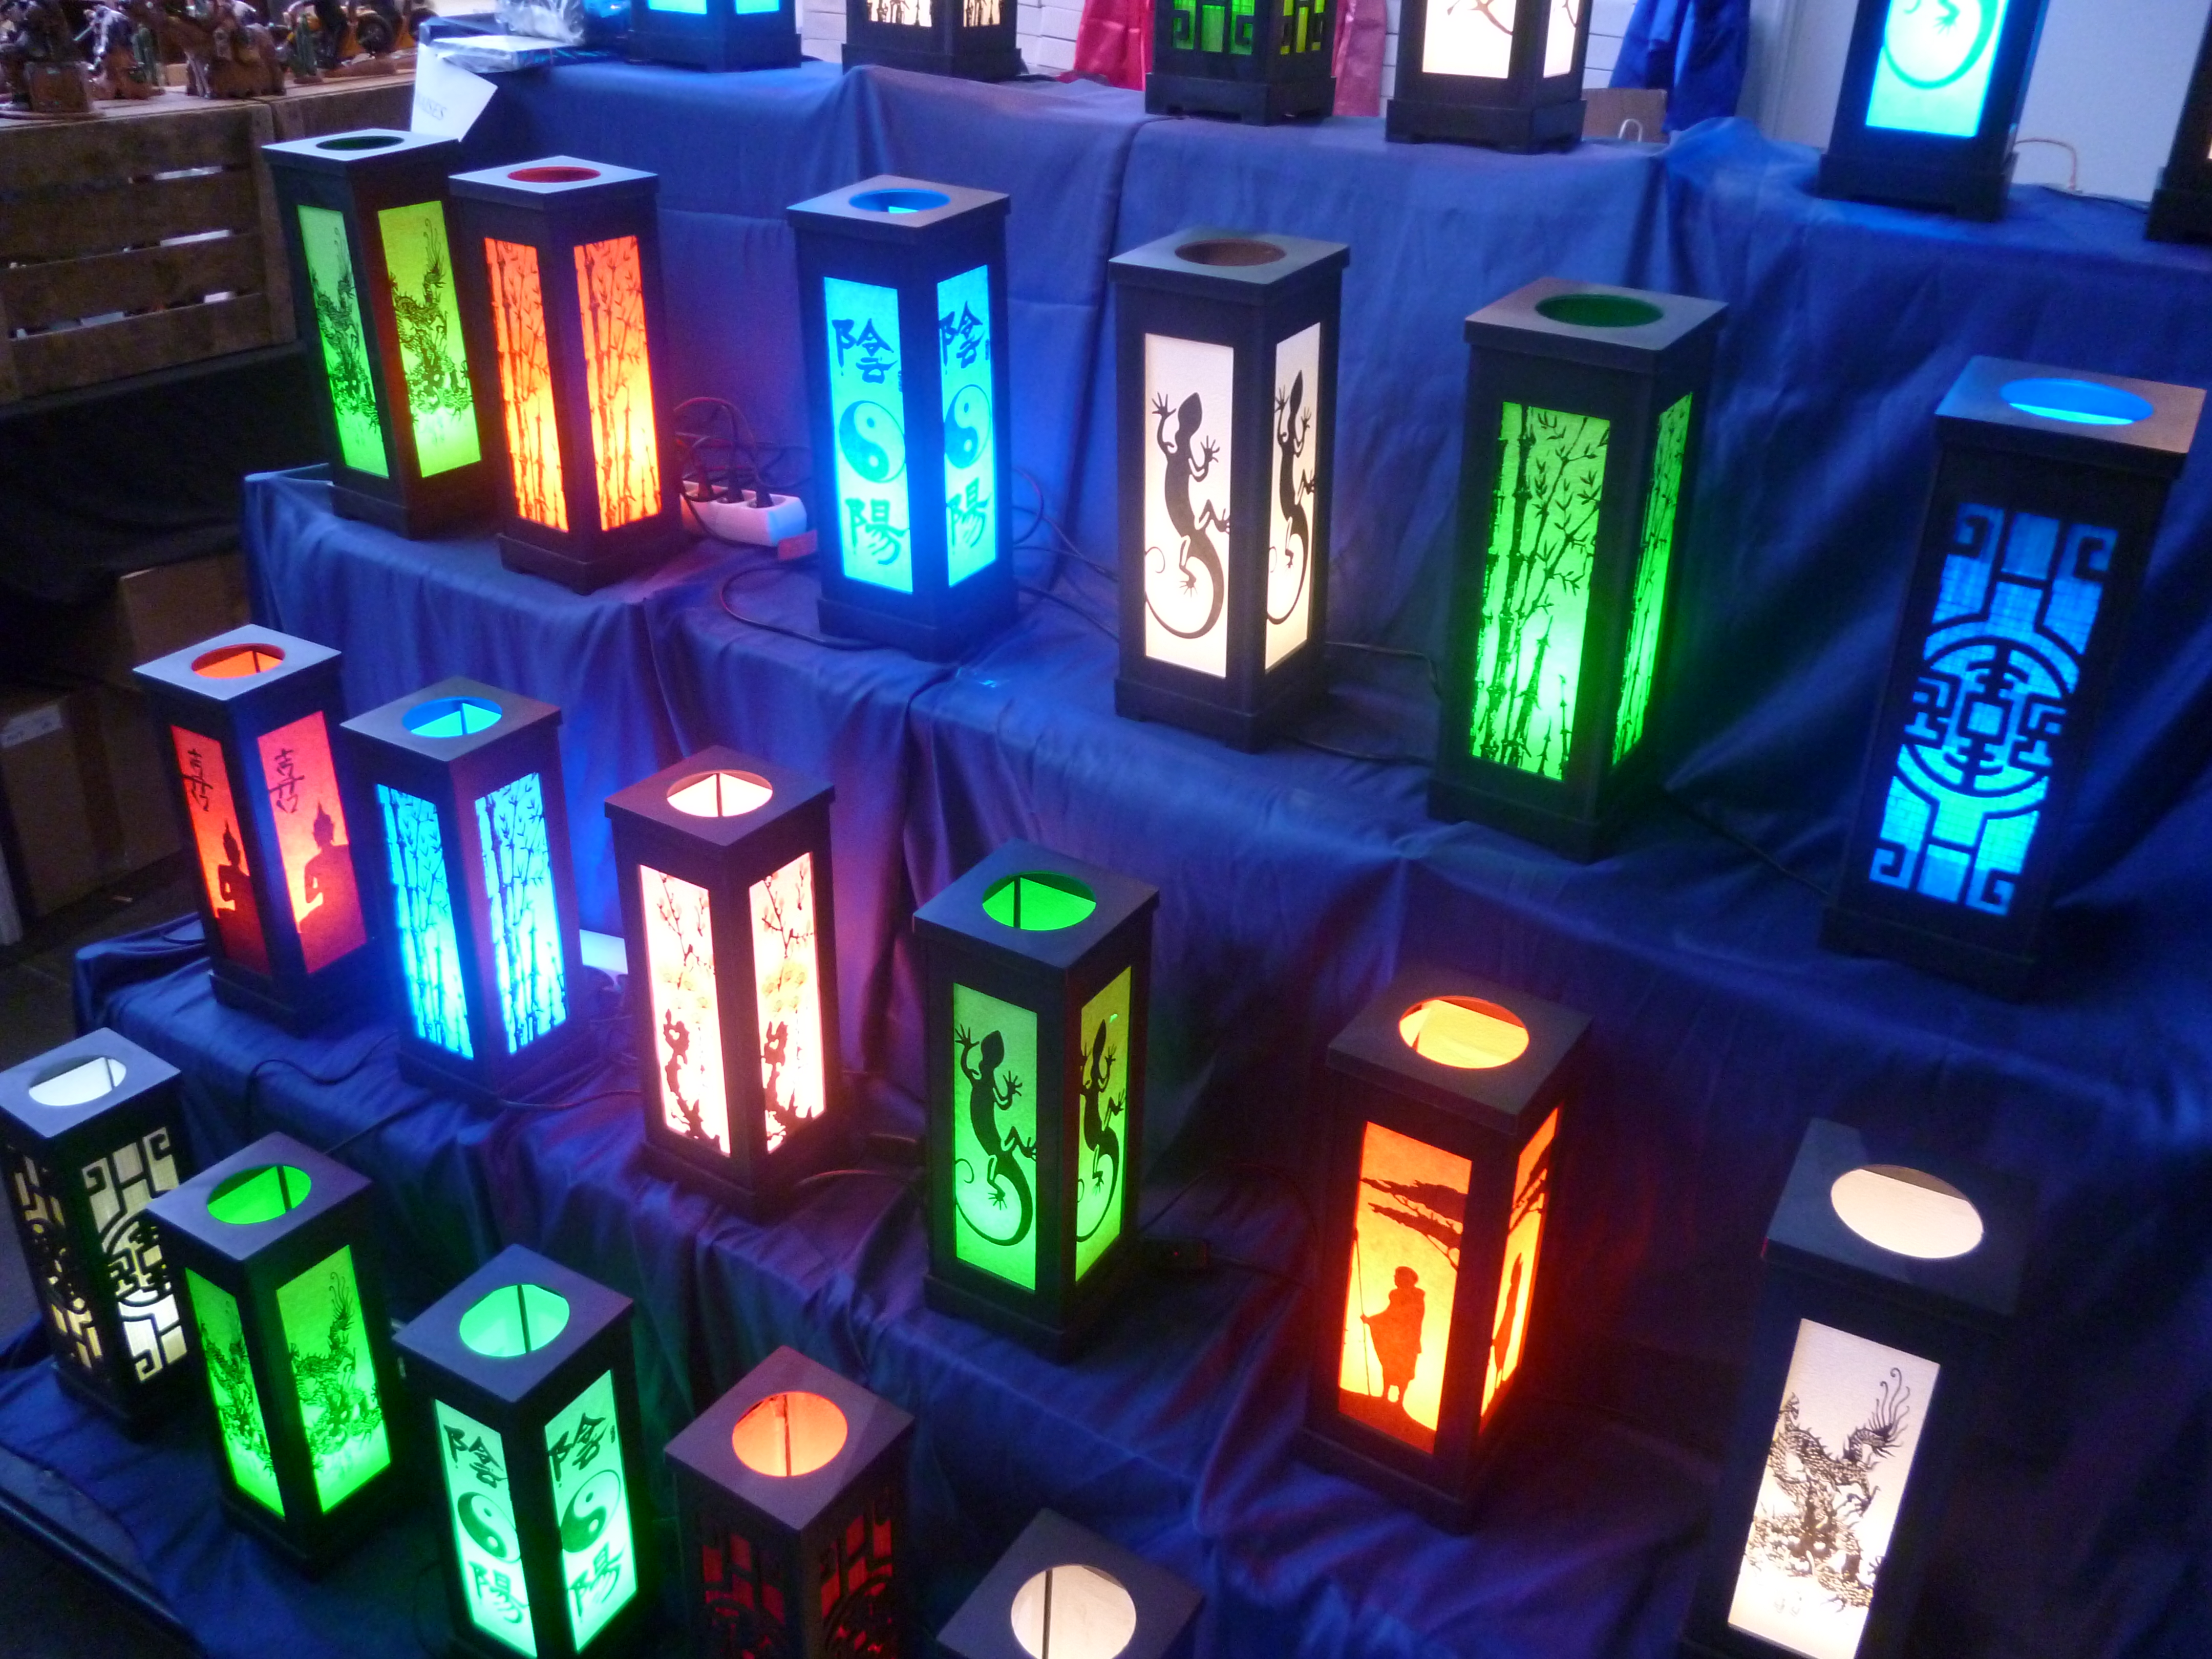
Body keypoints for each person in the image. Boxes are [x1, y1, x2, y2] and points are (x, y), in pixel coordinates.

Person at [1364, 1265, 1426, 1409]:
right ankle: (1385, 1395)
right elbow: (1388, 1313)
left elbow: (1405, 1314)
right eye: (1396, 1276)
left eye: (1399, 1276)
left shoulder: (1417, 1297)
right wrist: (1371, 1320)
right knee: (1388, 1365)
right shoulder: (1395, 1295)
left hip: (1408, 1342)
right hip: (1393, 1338)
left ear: (1408, 1278)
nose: (1396, 1278)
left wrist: (1377, 1320)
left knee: (1405, 1370)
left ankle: (1400, 1401)